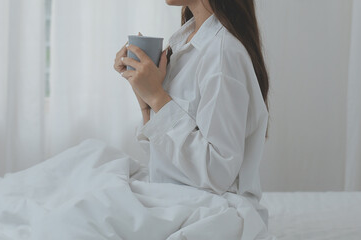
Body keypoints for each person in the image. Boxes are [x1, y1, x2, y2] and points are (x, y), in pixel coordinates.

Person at [113, 0, 270, 224]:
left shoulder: (222, 54)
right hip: (177, 199)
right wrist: (146, 97)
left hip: (213, 214)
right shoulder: (184, 44)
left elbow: (218, 173)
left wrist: (158, 97)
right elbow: (163, 159)